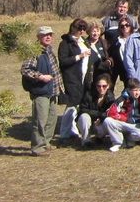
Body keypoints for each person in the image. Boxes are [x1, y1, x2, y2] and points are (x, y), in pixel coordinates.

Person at [21, 25, 64, 156]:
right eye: (45, 35)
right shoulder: (34, 52)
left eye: (50, 34)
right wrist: (40, 76)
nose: (48, 37)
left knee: (52, 119)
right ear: (38, 37)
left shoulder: (49, 50)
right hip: (40, 91)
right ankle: (37, 147)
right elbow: (25, 70)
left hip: (52, 91)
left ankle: (46, 143)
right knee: (40, 120)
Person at [57, 18, 93, 141]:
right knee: (72, 104)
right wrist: (79, 56)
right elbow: (63, 62)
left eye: (84, 28)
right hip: (71, 77)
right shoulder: (65, 43)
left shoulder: (83, 41)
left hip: (84, 77)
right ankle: (64, 132)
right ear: (73, 28)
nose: (82, 31)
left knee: (78, 104)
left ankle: (73, 129)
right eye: (79, 28)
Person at [99, 78, 140, 152]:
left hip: (135, 124)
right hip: (123, 122)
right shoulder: (123, 98)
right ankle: (118, 143)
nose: (137, 93)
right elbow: (111, 111)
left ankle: (128, 139)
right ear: (129, 90)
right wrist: (124, 118)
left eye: (139, 90)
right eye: (135, 90)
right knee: (107, 121)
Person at [77, 74, 113, 147]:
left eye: (104, 86)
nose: (101, 88)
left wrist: (101, 118)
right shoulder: (89, 94)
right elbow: (82, 109)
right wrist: (99, 114)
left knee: (108, 121)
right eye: (98, 86)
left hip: (100, 123)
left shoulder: (110, 97)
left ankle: (100, 137)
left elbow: (111, 112)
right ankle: (86, 141)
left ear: (108, 86)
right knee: (84, 117)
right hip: (88, 122)